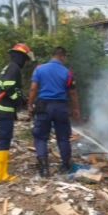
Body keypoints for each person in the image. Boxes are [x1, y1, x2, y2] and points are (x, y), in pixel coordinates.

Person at [27, 47, 81, 177]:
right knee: (63, 138)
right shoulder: (67, 72)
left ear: (53, 56)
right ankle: (66, 165)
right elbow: (72, 93)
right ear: (63, 57)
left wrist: (29, 104)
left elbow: (33, 89)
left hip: (44, 107)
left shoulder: (39, 69)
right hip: (61, 107)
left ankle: (44, 169)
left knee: (41, 137)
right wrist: (76, 109)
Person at [0, 44, 35, 183]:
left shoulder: (9, 67)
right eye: (26, 59)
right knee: (4, 140)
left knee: (4, 140)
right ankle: (2, 175)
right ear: (21, 57)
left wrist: (21, 97)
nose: (26, 62)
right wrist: (18, 101)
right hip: (4, 110)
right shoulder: (14, 68)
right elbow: (8, 86)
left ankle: (1, 172)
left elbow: (8, 86)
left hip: (1, 109)